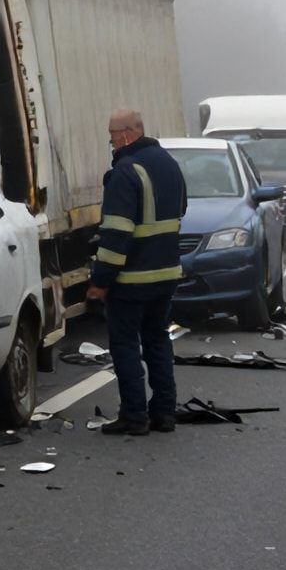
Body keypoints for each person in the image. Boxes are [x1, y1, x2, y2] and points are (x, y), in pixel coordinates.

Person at [85, 108, 188, 436]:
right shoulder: (170, 165)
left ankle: (134, 416)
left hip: (131, 280)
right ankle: (164, 413)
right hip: (167, 274)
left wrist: (100, 283)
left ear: (127, 134)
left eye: (113, 137)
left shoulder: (125, 173)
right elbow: (180, 210)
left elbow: (116, 235)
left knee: (126, 344)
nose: (112, 143)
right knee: (158, 339)